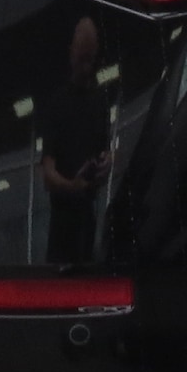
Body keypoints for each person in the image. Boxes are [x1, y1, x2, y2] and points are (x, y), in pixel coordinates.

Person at [39, 16, 113, 264]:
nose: (86, 67)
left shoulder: (100, 102)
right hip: (62, 222)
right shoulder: (56, 104)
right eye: (82, 58)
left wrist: (106, 162)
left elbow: (106, 150)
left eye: (90, 59)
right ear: (71, 54)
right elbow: (48, 176)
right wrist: (73, 186)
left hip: (90, 219)